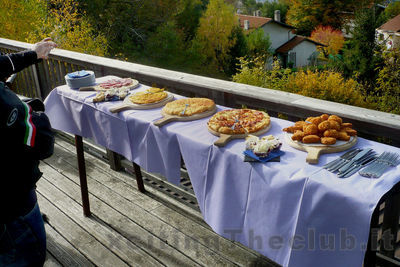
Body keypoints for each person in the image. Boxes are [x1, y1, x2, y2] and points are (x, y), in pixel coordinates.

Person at [0, 38, 57, 266]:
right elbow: (40, 140)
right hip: (12, 208)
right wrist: (37, 117)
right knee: (25, 256)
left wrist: (34, 53)